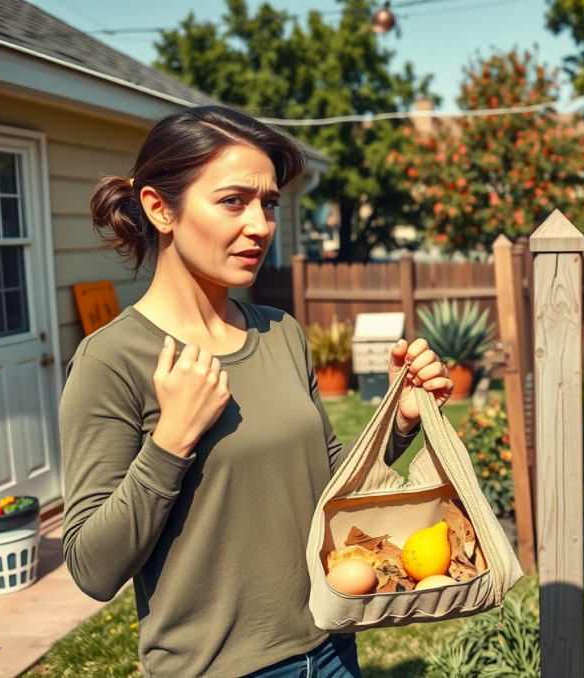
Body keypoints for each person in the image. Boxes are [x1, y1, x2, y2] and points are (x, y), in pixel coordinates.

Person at [59, 106, 453, 678]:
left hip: (333, 646)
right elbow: (92, 569)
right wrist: (171, 441)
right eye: (232, 201)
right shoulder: (111, 361)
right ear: (158, 208)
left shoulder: (280, 332)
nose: (261, 224)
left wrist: (402, 420)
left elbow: (334, 487)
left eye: (267, 203)